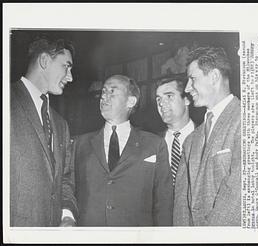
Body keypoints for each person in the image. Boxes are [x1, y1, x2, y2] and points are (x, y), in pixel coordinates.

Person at [74, 74, 173, 226]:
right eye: (103, 92)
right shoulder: (80, 144)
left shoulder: (155, 145)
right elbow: (69, 189)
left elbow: (164, 203)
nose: (104, 97)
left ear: (131, 101)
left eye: (112, 92)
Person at [10, 37, 78, 226]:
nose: (70, 77)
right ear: (44, 61)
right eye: (66, 66)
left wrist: (66, 215)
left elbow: (64, 178)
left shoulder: (61, 123)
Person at [173, 47, 241, 226]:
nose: (187, 88)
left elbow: (239, 191)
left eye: (192, 79)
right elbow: (181, 203)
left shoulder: (248, 119)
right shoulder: (190, 141)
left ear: (214, 77)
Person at [155, 75, 195, 185]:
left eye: (169, 96)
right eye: (159, 99)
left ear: (186, 100)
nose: (161, 104)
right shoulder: (151, 142)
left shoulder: (206, 135)